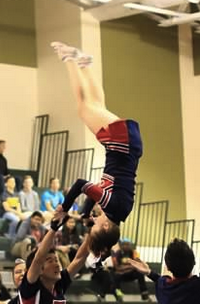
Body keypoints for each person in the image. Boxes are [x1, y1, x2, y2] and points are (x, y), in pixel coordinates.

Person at [52, 42, 142, 260]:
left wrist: (83, 212)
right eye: (94, 226)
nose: (93, 222)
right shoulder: (113, 206)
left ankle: (84, 64)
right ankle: (69, 59)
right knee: (83, 107)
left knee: (96, 106)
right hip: (122, 145)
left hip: (125, 146)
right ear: (104, 228)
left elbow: (98, 190)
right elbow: (82, 184)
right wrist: (64, 207)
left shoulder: (116, 210)